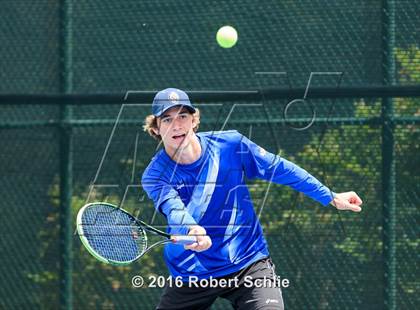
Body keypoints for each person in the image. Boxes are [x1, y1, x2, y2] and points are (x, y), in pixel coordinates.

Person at [141, 88, 363, 310]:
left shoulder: (231, 145)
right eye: (167, 119)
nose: (177, 125)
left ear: (194, 120)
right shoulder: (154, 175)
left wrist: (329, 196)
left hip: (248, 263)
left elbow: (280, 169)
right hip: (191, 273)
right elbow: (173, 208)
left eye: (183, 116)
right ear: (156, 129)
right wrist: (192, 229)